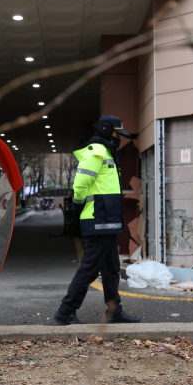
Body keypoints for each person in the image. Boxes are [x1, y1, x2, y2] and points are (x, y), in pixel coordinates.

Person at [54, 115, 141, 326]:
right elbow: (80, 185)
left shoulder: (107, 153)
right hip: (97, 221)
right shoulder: (96, 152)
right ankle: (65, 311)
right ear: (104, 129)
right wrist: (76, 208)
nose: (119, 138)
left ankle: (114, 311)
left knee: (111, 269)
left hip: (107, 222)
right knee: (90, 268)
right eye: (116, 133)